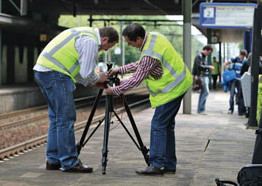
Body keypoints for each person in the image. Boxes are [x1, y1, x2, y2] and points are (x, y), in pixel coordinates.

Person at [105, 23, 192, 175]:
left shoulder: (149, 54)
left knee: (158, 125)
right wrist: (121, 69)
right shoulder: (154, 38)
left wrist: (114, 90)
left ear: (138, 38)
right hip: (180, 84)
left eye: (129, 42)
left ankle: (157, 164)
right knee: (166, 126)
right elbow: (143, 64)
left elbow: (137, 79)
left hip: (172, 90)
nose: (128, 45)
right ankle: (169, 164)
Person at [33, 26, 119, 173]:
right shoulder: (91, 41)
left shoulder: (83, 34)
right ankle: (69, 162)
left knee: (57, 118)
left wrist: (93, 82)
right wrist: (99, 77)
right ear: (104, 39)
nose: (105, 50)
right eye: (108, 46)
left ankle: (53, 160)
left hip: (44, 71)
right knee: (66, 119)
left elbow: (78, 71)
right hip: (56, 74)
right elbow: (87, 72)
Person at [192, 45, 214, 115]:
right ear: (206, 50)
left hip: (205, 76)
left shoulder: (203, 56)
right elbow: (199, 66)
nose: (209, 54)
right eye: (209, 52)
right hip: (202, 76)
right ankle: (201, 109)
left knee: (203, 92)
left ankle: (201, 110)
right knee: (206, 92)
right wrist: (208, 67)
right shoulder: (199, 56)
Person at [224, 49, 247, 115]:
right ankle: (231, 109)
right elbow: (225, 63)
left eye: (243, 56)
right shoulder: (235, 59)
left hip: (240, 79)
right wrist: (229, 70)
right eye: (241, 56)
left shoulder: (245, 61)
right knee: (231, 95)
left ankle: (240, 111)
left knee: (239, 95)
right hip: (233, 79)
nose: (242, 57)